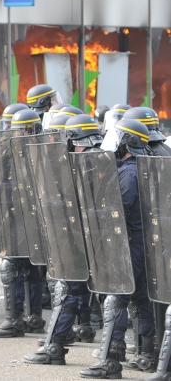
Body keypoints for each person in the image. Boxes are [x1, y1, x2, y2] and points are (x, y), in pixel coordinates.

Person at [79, 118, 157, 378]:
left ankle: (110, 362)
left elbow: (118, 209)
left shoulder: (130, 172)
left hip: (128, 242)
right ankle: (147, 354)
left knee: (116, 298)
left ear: (127, 142)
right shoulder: (132, 167)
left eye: (116, 137)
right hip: (137, 243)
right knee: (141, 297)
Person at [23, 114, 102, 366]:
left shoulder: (83, 163)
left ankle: (55, 346)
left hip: (83, 240)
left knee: (69, 288)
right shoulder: (102, 160)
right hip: (96, 242)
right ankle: (111, 348)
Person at [0, 108, 45, 338]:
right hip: (16, 212)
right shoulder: (10, 147)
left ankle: (17, 320)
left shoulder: (39, 148)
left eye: (20, 131)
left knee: (20, 265)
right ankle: (31, 318)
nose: (16, 135)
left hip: (27, 213)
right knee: (26, 264)